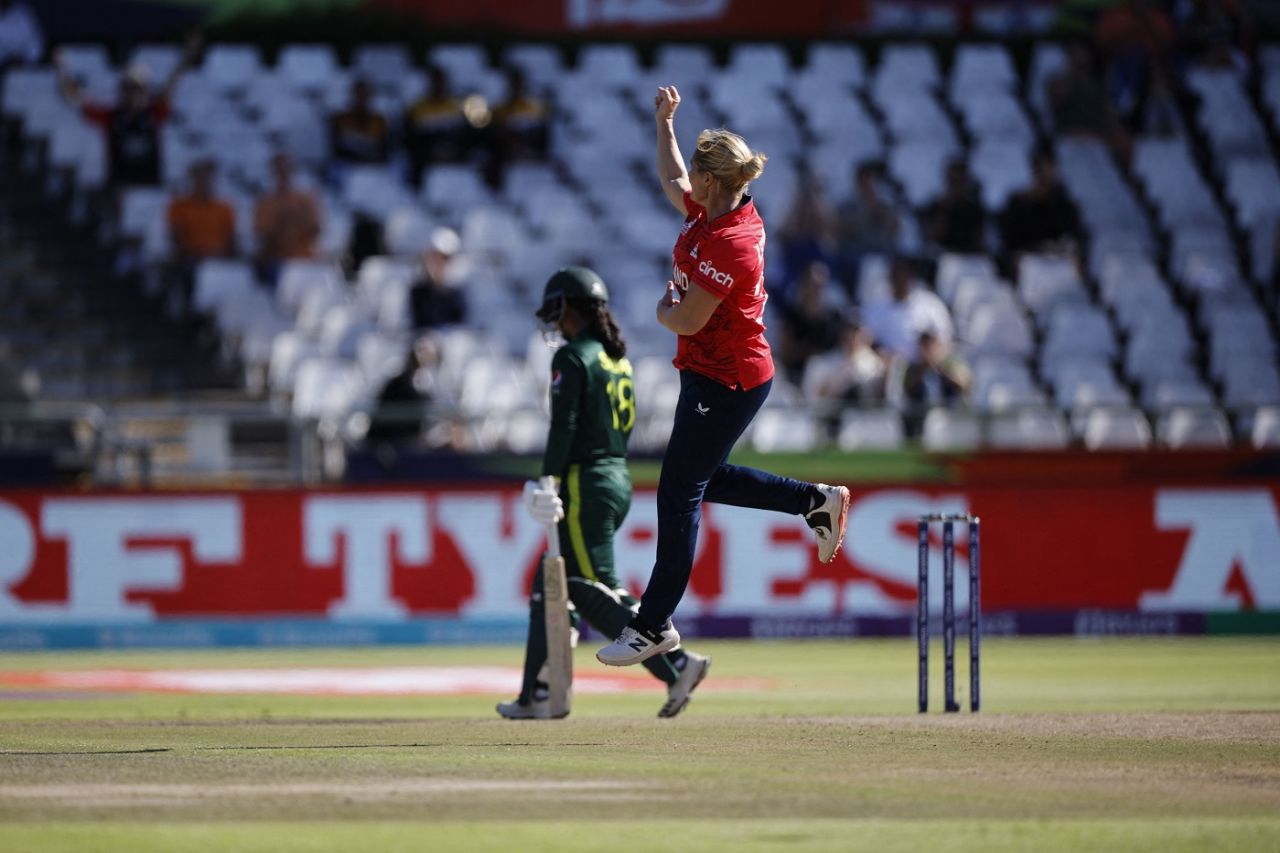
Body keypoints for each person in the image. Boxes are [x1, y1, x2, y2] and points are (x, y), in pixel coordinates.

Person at [594, 86, 850, 667]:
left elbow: (684, 315)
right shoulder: (718, 209)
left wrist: (661, 310)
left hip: (728, 379)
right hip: (713, 372)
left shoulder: (732, 242)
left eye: (698, 178)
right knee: (702, 477)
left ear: (714, 183)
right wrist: (665, 124)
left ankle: (652, 624)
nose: (689, 185)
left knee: (679, 492)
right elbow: (671, 178)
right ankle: (815, 501)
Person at [498, 266, 711, 719]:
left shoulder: (573, 357)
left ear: (571, 308)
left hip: (586, 480)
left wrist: (549, 480)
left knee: (586, 587)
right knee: (550, 583)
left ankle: (677, 665)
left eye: (557, 309)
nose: (553, 320)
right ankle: (537, 690)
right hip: (616, 477)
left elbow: (565, 426)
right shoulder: (619, 358)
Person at [56, 36, 197, 190]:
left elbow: (171, 86)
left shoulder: (155, 114)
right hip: (120, 186)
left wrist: (185, 58)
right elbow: (76, 99)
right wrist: (62, 68)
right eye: (129, 89)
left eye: (139, 89)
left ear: (146, 92)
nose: (134, 95)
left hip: (150, 185)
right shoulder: (111, 116)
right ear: (122, 92)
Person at [998, 149, 1083, 262]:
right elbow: (1010, 243)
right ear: (1033, 171)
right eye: (1040, 169)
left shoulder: (1065, 205)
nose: (1045, 175)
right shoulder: (1018, 203)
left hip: (1059, 260)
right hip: (1030, 262)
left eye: (1049, 169)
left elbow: (1073, 237)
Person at [862, 256, 953, 360]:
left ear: (911, 276)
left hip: (925, 365)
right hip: (885, 365)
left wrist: (928, 354)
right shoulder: (876, 306)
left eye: (902, 273)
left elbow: (943, 339)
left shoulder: (931, 305)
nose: (898, 278)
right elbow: (866, 338)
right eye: (895, 274)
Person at [253, 152, 323, 286]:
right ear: (272, 173)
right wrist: (282, 222)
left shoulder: (306, 200)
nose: (282, 174)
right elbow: (263, 236)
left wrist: (295, 220)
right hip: (276, 263)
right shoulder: (265, 203)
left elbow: (316, 230)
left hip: (304, 262)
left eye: (286, 169)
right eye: (279, 170)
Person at [775, 259, 844, 385]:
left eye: (820, 284)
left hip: (829, 379)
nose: (816, 289)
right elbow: (786, 352)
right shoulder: (791, 315)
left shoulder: (834, 317)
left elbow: (840, 350)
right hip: (795, 377)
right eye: (812, 283)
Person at [894, 331, 972, 437]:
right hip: (921, 414)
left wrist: (941, 368)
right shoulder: (913, 367)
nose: (927, 350)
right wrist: (922, 369)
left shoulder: (951, 363)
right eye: (924, 346)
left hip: (950, 411)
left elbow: (964, 385)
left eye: (930, 345)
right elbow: (906, 390)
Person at [403, 65, 469, 185]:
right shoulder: (416, 108)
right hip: (427, 158)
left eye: (441, 81)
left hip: (452, 154)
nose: (438, 85)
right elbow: (411, 139)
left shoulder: (457, 107)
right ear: (429, 83)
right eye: (435, 81)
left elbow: (464, 136)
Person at [408, 227, 467, 331]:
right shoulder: (414, 292)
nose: (437, 264)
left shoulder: (456, 295)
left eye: (443, 260)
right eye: (433, 259)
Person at [923, 160, 986, 256]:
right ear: (946, 181)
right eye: (953, 181)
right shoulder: (935, 205)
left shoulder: (975, 208)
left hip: (969, 257)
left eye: (960, 181)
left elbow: (979, 241)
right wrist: (945, 208)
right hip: (942, 257)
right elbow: (933, 239)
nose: (956, 185)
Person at [329, 77, 391, 168]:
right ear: (352, 95)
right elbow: (335, 151)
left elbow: (384, 152)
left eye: (365, 94)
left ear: (370, 96)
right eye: (358, 94)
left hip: (373, 167)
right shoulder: (340, 119)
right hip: (347, 167)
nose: (361, 98)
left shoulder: (379, 121)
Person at [0, 0, 42, 71]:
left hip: (25, 69)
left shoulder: (24, 13)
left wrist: (24, 60)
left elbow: (36, 44)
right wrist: (5, 60)